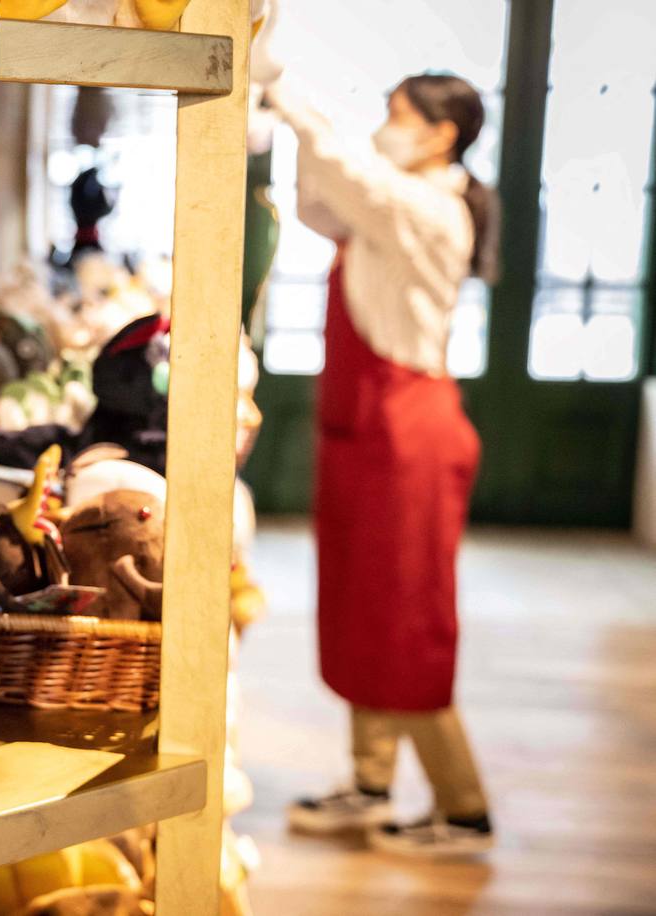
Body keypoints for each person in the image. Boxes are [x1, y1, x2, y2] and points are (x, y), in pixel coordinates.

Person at [265, 73, 499, 857]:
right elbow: (320, 202)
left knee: (407, 620)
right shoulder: (387, 205)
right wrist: (300, 134)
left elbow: (354, 181)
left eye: (398, 117)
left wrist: (286, 96)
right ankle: (369, 782)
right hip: (364, 430)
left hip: (410, 437)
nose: (385, 129)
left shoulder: (432, 209)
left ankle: (462, 807)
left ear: (441, 135)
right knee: (362, 604)